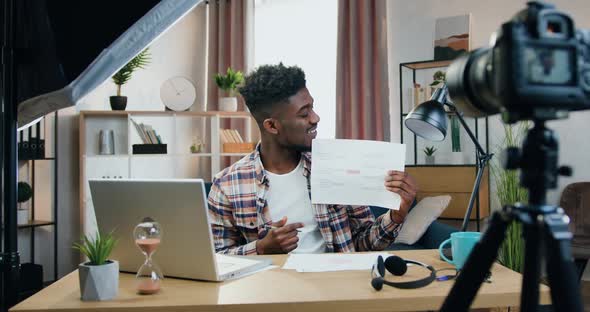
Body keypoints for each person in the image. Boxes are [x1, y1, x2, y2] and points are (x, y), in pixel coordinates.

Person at [208, 63, 418, 255]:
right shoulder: (227, 184)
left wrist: (396, 216)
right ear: (272, 126)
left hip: (333, 288)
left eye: (312, 108)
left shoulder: (336, 165)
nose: (315, 118)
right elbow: (218, 259)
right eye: (303, 114)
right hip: (268, 292)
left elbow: (364, 243)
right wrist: (261, 249)